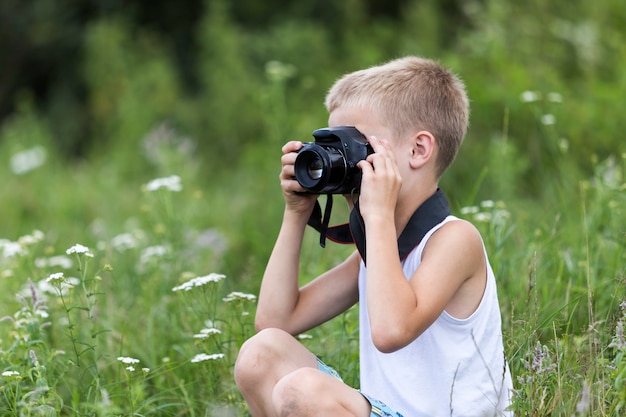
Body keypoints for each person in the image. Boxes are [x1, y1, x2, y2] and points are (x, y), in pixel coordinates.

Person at [234, 56, 513, 417]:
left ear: (418, 150)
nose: (343, 161)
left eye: (355, 145)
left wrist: (377, 215)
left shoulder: (455, 240)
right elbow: (276, 321)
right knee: (260, 354)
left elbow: (391, 330)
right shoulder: (376, 252)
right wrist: (297, 213)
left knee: (303, 390)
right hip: (385, 410)